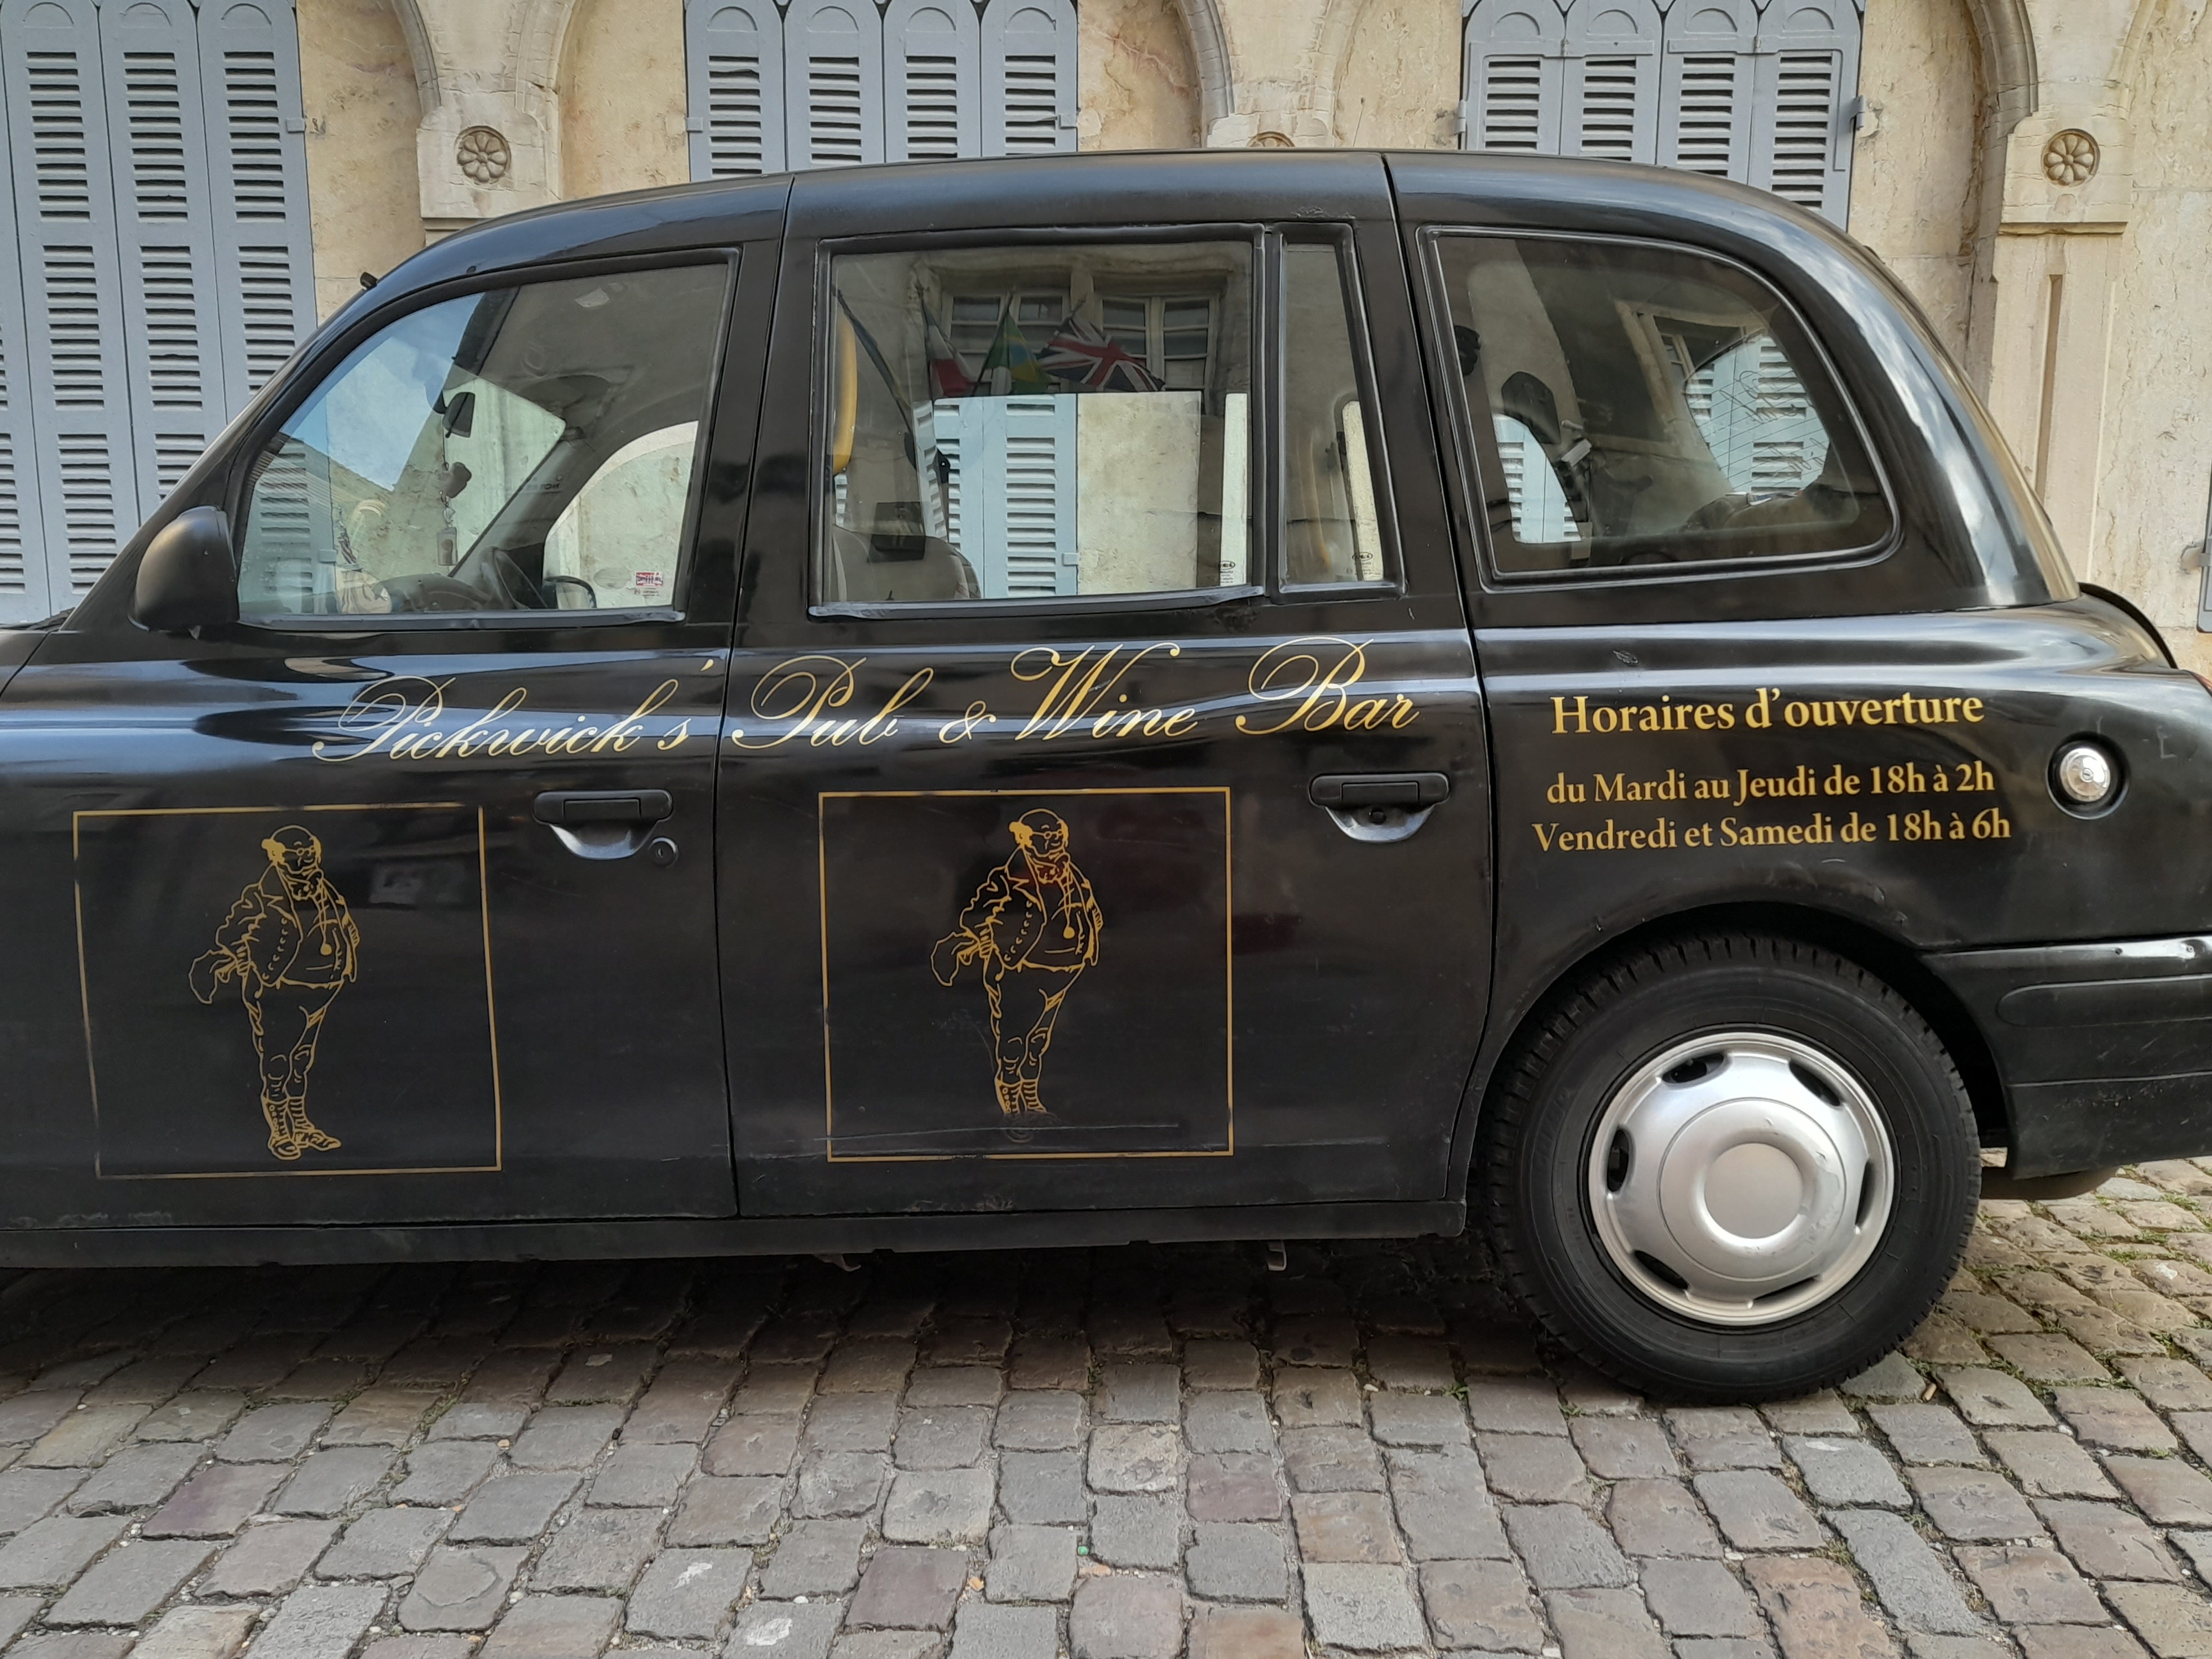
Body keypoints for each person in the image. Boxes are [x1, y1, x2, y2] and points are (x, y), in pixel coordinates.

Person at [190, 825, 360, 1161]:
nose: (306, 861)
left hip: (323, 990)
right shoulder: (261, 895)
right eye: (297, 855)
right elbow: (229, 935)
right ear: (277, 857)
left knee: (302, 1060)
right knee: (278, 1062)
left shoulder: (327, 889)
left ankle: (302, 1125)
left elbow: (344, 926)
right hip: (280, 991)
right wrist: (245, 952)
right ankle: (281, 1130)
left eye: (310, 853)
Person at [931, 810, 1104, 1116]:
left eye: (1057, 835)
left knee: (1039, 1040)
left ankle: (1031, 1094)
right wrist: (992, 936)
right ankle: (1010, 1096)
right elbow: (973, 915)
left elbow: (1091, 909)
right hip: (1022, 972)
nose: (1053, 842)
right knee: (1014, 1038)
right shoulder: (1005, 877)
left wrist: (1091, 935)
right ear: (1024, 840)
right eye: (1044, 837)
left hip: (1066, 971)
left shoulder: (1074, 873)